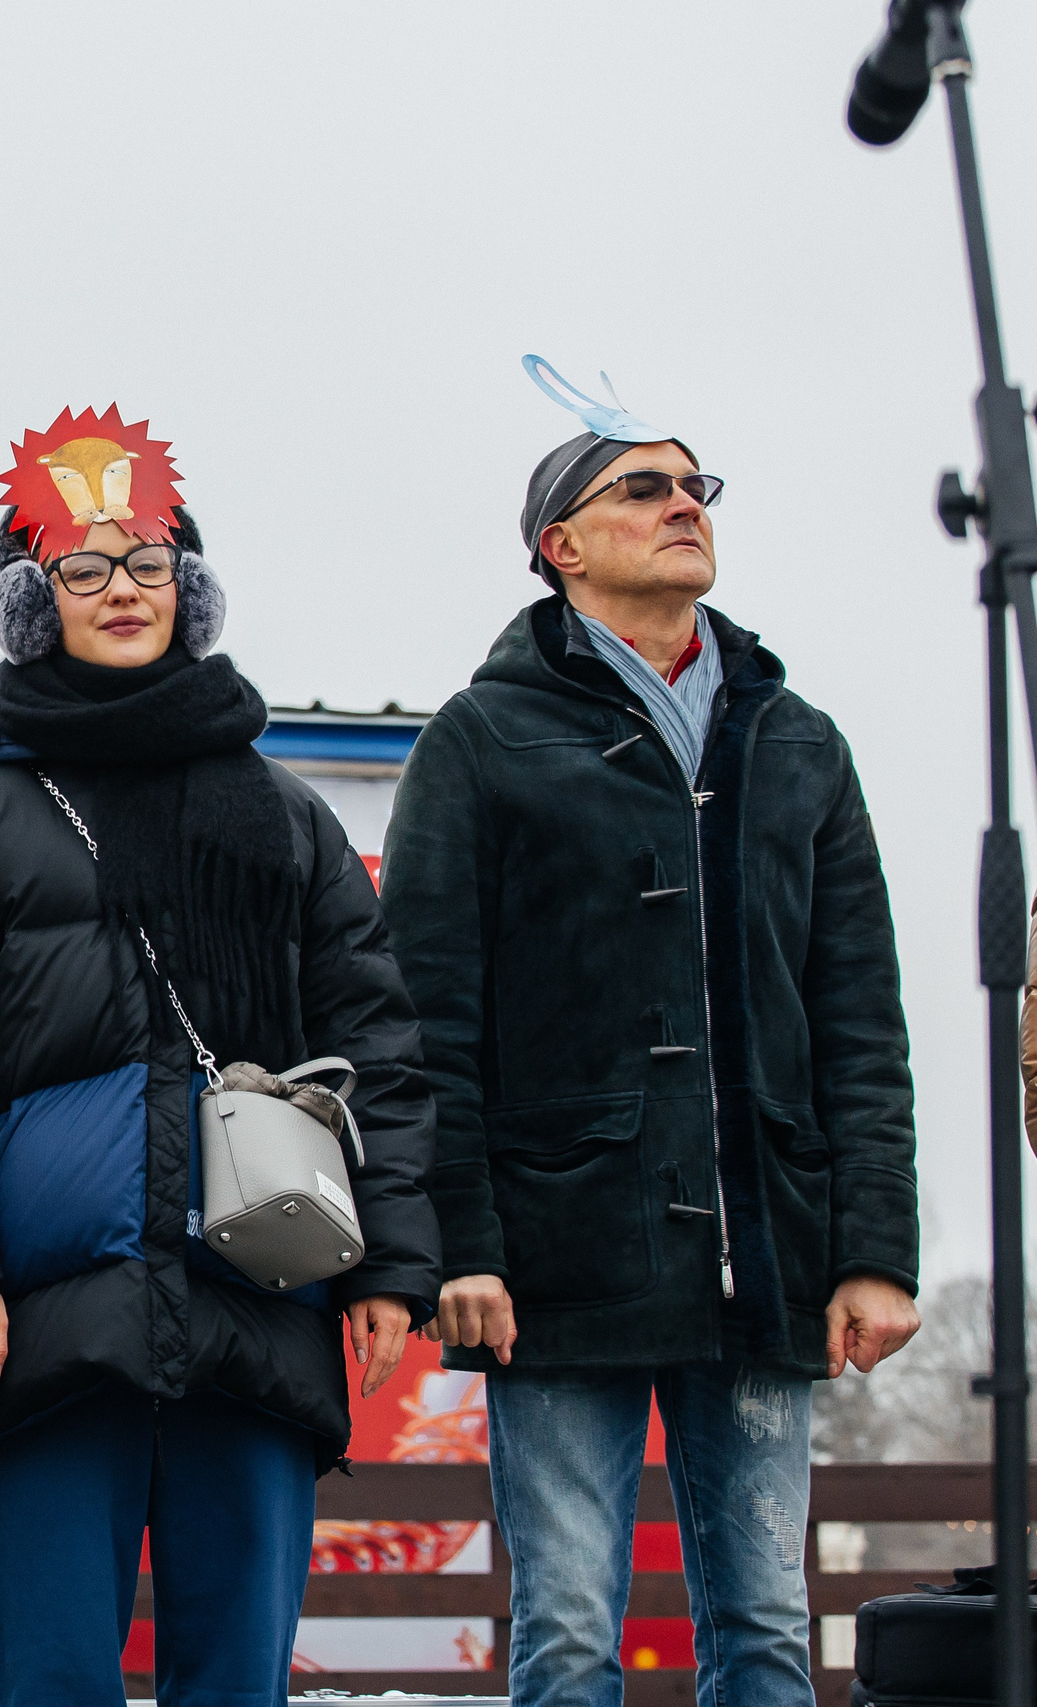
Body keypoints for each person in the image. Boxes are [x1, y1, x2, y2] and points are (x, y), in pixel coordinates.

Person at [0, 407, 439, 1707]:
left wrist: (392, 1257)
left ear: (192, 590)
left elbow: (373, 1036)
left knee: (238, 1685)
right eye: (82, 565)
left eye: (150, 560)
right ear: (31, 602)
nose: (122, 588)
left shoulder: (282, 813)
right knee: (53, 1682)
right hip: (44, 1334)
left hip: (256, 1307)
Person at [378, 360, 922, 1707]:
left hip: (768, 1247)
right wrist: (464, 1241)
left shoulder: (798, 741)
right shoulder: (482, 737)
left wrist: (874, 1248)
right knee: (566, 1630)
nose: (684, 504)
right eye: (645, 486)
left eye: (697, 484)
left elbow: (861, 1015)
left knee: (770, 1627)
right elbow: (426, 1014)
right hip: (560, 1256)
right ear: (559, 544)